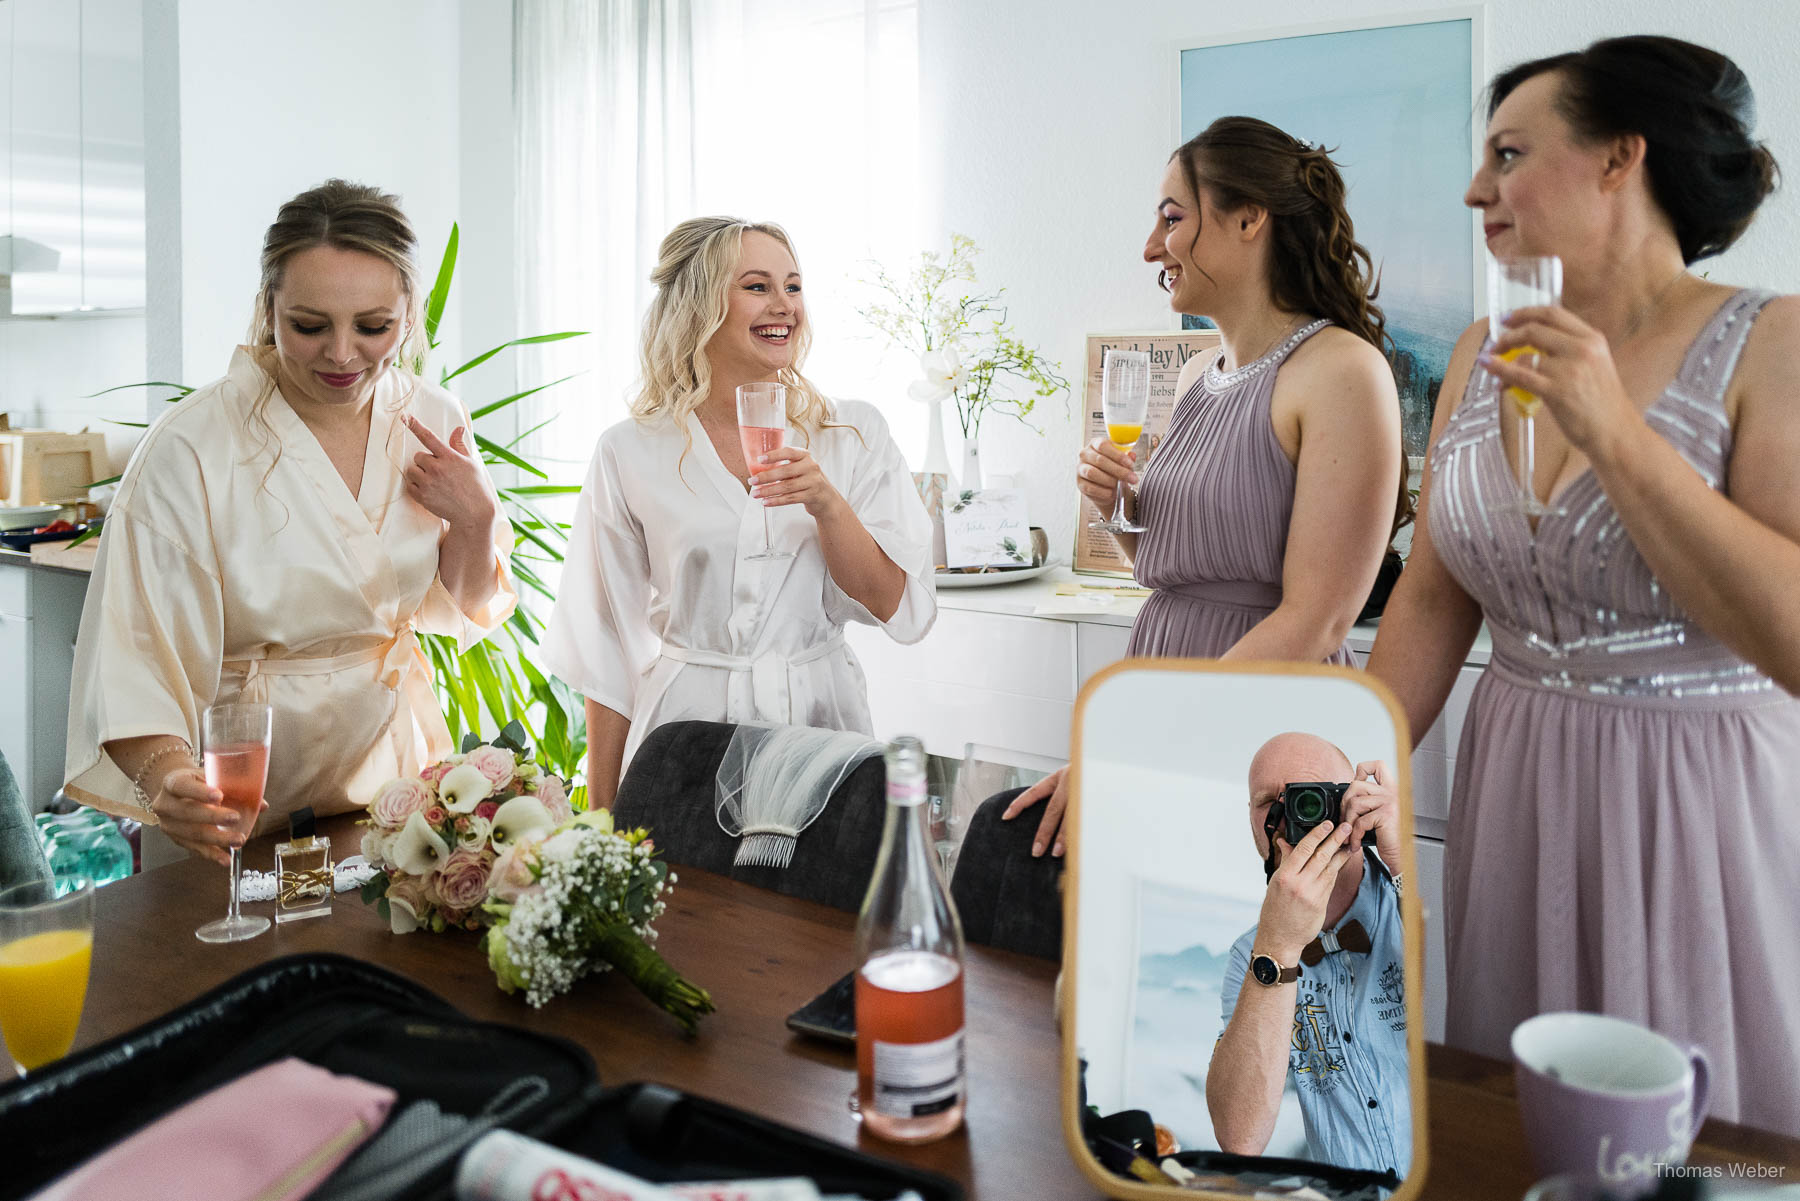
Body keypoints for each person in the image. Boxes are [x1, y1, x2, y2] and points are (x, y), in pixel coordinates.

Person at [1366, 36, 1800, 1134]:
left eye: (1508, 154)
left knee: (1701, 1146)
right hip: (1511, 793)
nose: (1477, 188)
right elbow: (1428, 598)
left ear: (1621, 159)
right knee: (1524, 1130)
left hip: (1700, 809)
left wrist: (1615, 432)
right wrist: (1348, 767)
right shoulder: (1480, 352)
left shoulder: (1773, 343)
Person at [64, 180, 515, 865]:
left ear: (409, 312)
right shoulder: (192, 447)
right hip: (240, 803)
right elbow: (134, 654)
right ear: (267, 308)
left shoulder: (433, 418)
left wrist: (478, 519)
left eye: (373, 327)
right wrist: (171, 782)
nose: (341, 353)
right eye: (309, 325)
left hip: (389, 793)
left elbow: (465, 609)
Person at [1005, 117, 1407, 857]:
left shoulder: (1343, 372)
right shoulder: (1198, 375)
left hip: (1265, 723)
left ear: (1250, 217)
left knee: (1259, 955)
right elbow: (1184, 574)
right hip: (1166, 679)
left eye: (1171, 216)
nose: (1151, 247)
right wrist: (1118, 512)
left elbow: (1316, 619)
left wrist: (1145, 733)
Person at [542, 217, 935, 809]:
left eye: (794, 286)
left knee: (820, 900)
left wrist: (827, 505)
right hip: (684, 738)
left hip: (821, 733)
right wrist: (600, 823)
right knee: (692, 902)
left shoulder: (851, 433)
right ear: (701, 305)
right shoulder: (630, 450)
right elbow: (608, 651)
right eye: (757, 287)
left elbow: (892, 602)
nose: (785, 306)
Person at [1208, 733, 1409, 1181]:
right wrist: (1277, 947)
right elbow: (1240, 1138)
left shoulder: (1414, 895)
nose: (1290, 815)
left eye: (1310, 795)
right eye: (1267, 802)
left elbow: (1469, 1006)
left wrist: (1403, 860)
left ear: (1357, 801)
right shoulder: (1250, 956)